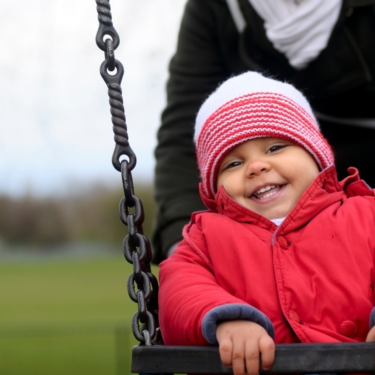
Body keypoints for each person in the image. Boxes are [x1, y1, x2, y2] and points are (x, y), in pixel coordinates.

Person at [158, 72, 375, 375]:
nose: (256, 166)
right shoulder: (206, 238)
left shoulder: (365, 214)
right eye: (233, 163)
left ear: (316, 155)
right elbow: (179, 291)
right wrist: (226, 319)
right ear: (213, 188)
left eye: (275, 148)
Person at [152, 0, 375, 263]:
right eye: (233, 163)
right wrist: (185, 245)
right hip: (265, 217)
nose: (256, 166)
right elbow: (183, 131)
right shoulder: (215, 9)